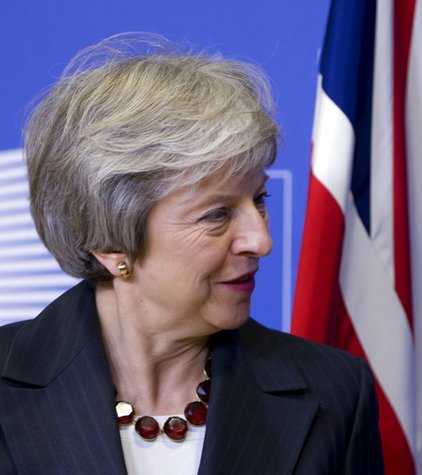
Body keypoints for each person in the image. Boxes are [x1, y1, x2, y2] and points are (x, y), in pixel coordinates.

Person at [0, 33, 383, 474]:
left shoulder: (335, 392)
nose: (261, 240)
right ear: (110, 242)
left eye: (259, 200)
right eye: (217, 215)